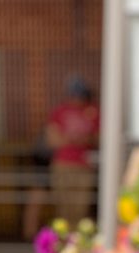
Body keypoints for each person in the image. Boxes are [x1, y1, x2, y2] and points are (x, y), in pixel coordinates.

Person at [46, 78, 99, 226]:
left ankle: (77, 241)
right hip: (62, 165)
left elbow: (98, 137)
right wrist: (74, 139)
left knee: (81, 206)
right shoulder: (59, 112)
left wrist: (81, 139)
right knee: (63, 204)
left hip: (84, 166)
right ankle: (63, 239)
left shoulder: (93, 111)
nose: (78, 99)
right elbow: (52, 140)